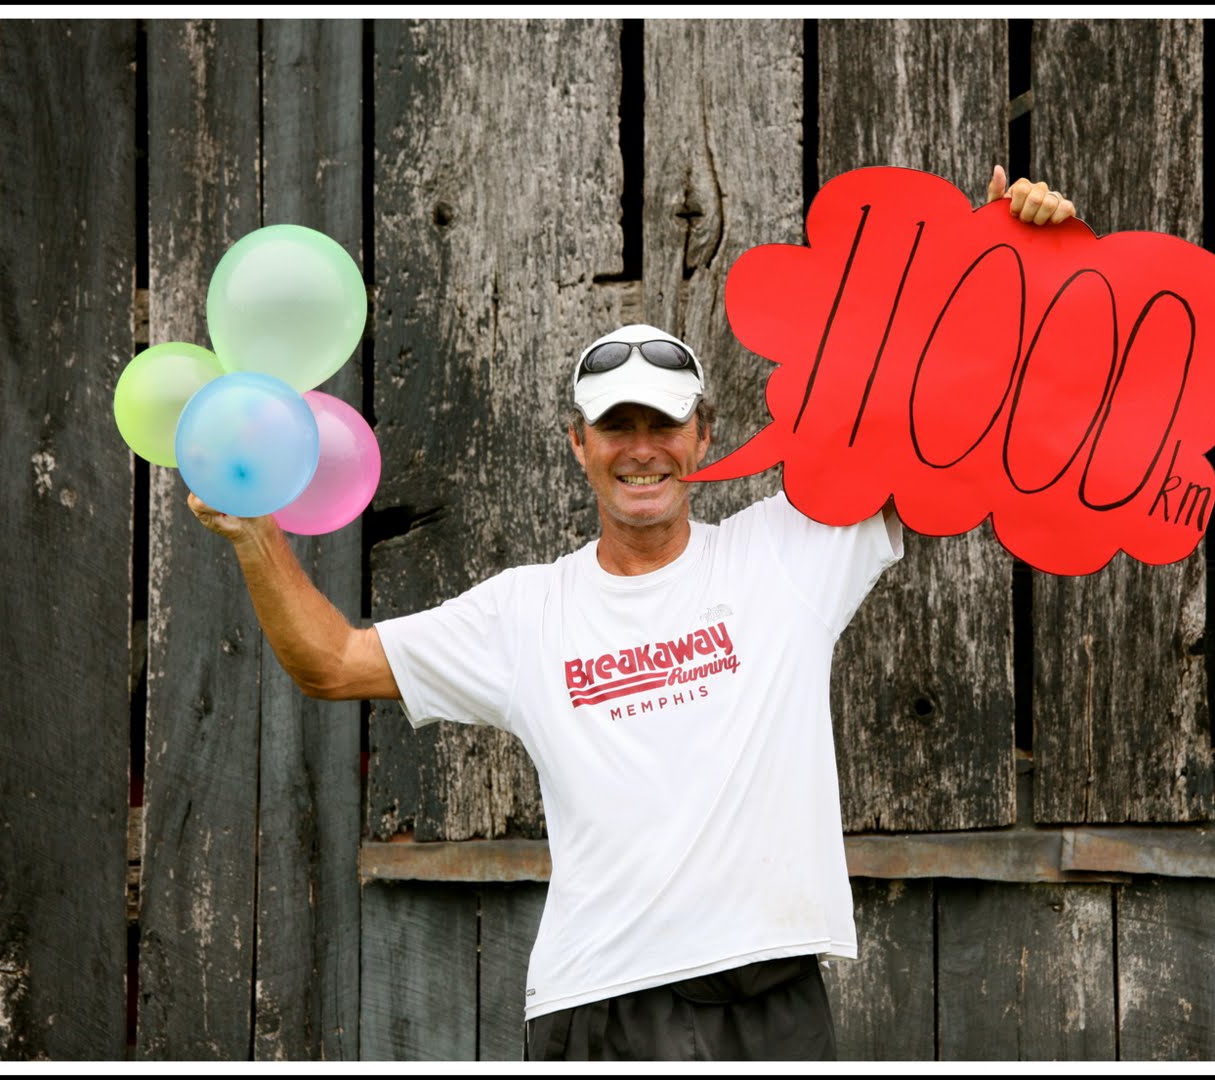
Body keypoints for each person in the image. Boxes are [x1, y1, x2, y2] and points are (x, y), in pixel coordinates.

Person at [189, 167, 1077, 1061]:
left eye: (664, 424)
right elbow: (332, 661)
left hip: (772, 998)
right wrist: (253, 531)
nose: (642, 450)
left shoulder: (789, 552)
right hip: (602, 1004)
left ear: (704, 436)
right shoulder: (526, 612)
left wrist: (1016, 254)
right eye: (617, 426)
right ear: (579, 444)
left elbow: (946, 426)